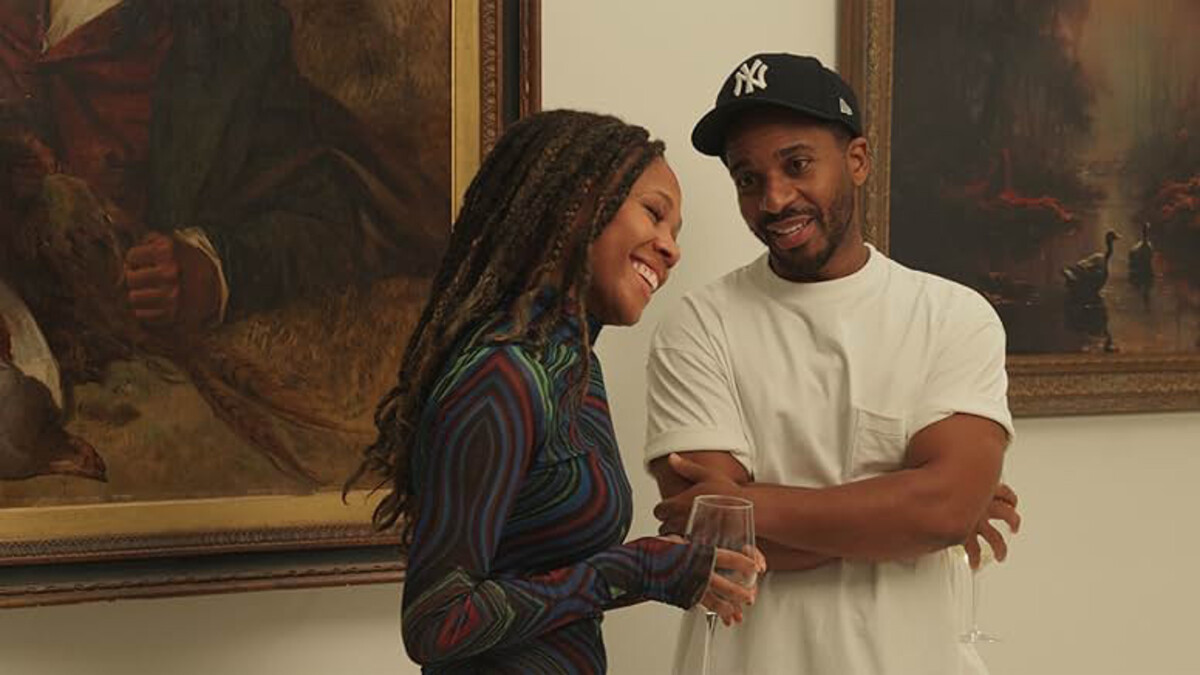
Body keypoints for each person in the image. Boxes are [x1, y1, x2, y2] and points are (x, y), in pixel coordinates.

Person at [350, 110, 763, 674]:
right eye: (654, 213)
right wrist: (632, 571)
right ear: (579, 201)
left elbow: (553, 572)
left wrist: (666, 564)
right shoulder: (500, 374)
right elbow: (435, 621)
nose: (670, 248)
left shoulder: (574, 371)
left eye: (677, 231)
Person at [646, 53, 1021, 674]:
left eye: (797, 165)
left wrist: (745, 503)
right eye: (747, 178)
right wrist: (906, 517)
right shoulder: (697, 326)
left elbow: (945, 508)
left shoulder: (953, 315)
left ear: (857, 160)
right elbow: (720, 545)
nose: (773, 198)